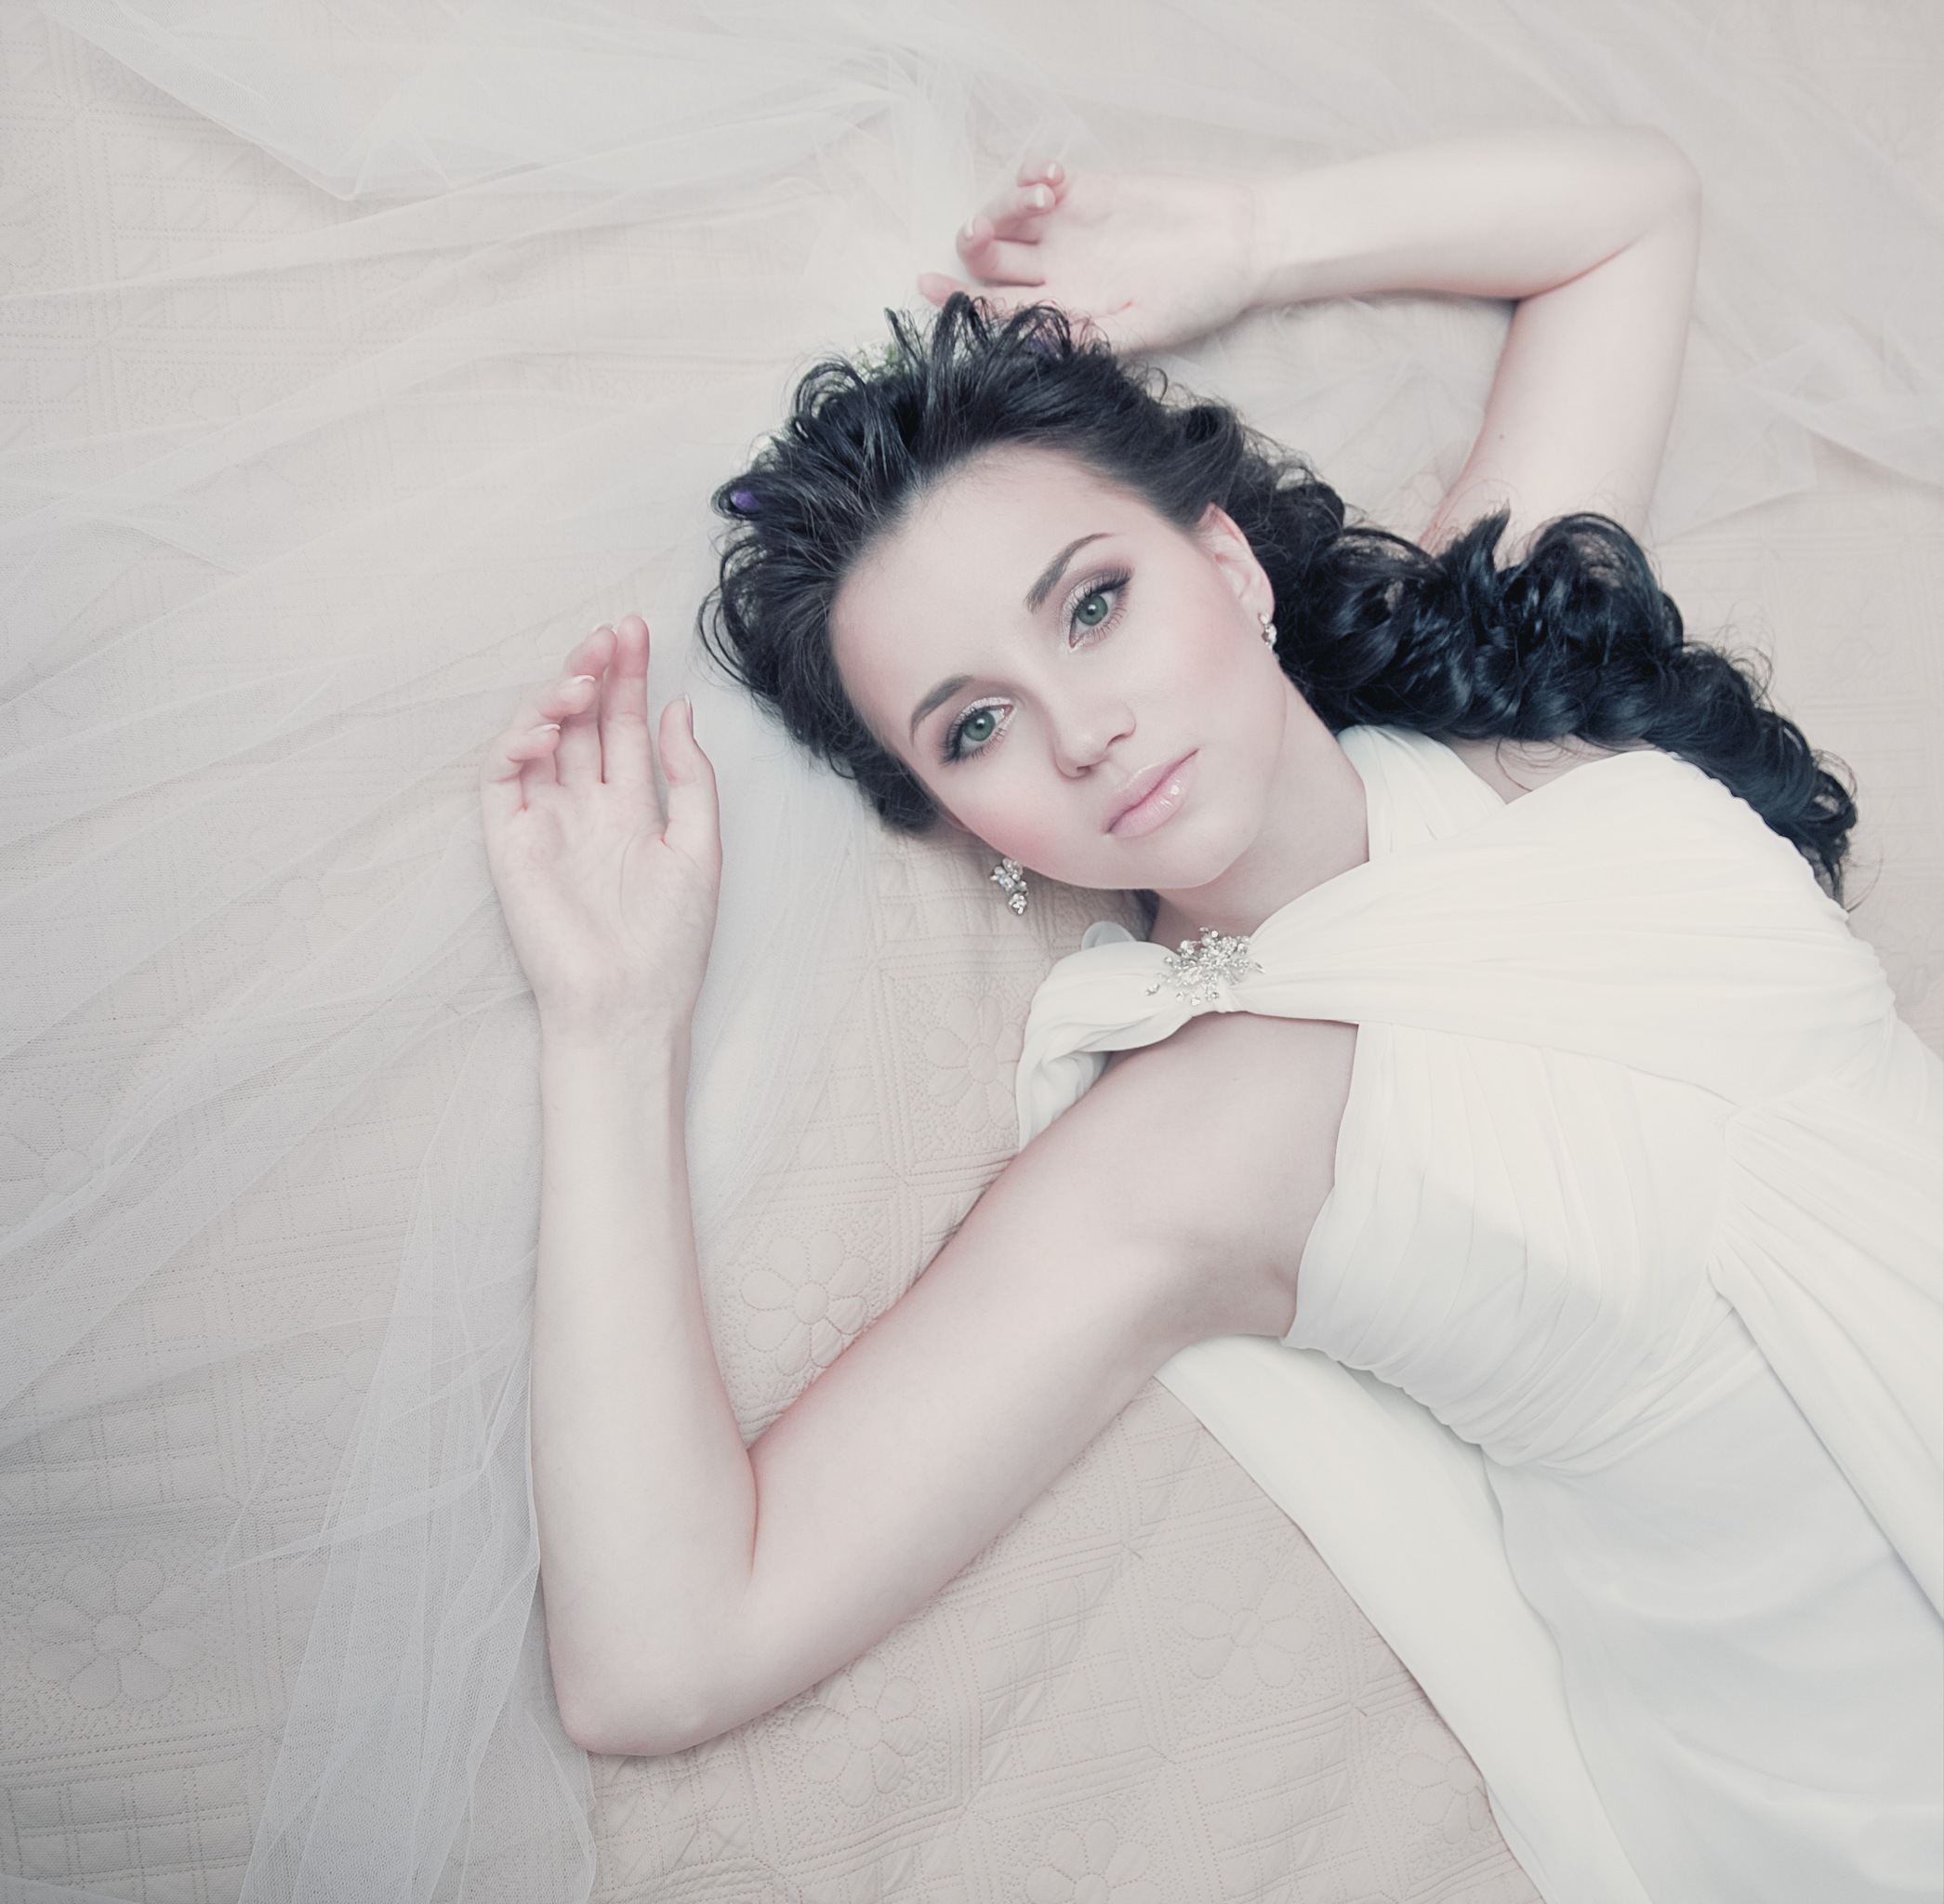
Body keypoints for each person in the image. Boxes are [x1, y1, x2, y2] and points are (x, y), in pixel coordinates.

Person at [479, 130, 1941, 1903]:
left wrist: (1248, 241)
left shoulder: (1515, 688)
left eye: (1095, 605)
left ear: (1230, 568)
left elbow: (1629, 216)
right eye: (975, 727)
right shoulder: (1191, 1150)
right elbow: (658, 1656)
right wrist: (613, 1026)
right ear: (965, 825)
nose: (1082, 728)